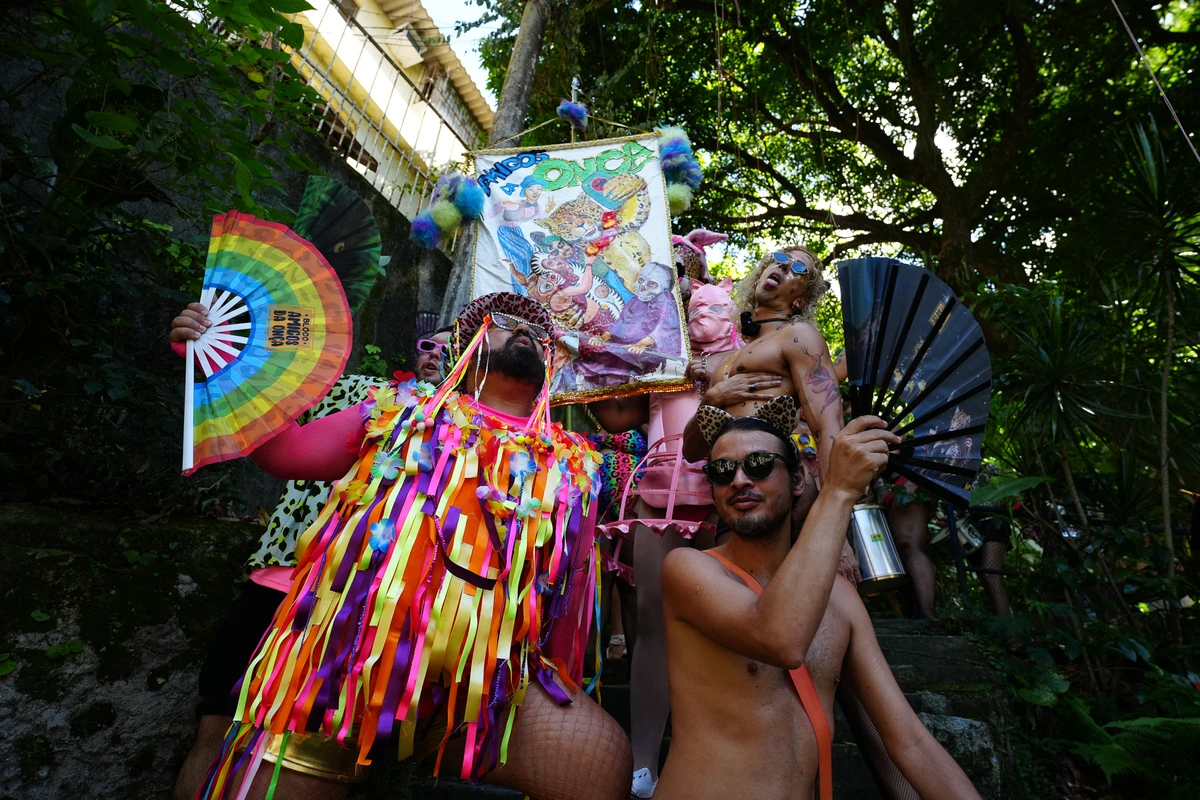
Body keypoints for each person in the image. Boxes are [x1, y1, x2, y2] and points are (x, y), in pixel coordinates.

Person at [169, 293, 630, 800]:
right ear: (466, 347)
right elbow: (288, 452)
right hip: (344, 665)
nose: (521, 329)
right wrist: (219, 355)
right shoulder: (400, 412)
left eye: (534, 331)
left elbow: (566, 598)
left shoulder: (577, 465)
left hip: (484, 686)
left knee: (599, 760)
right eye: (501, 321)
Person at [657, 414, 982, 800]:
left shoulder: (840, 599)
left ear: (797, 481)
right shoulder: (688, 569)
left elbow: (909, 741)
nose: (740, 480)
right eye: (722, 471)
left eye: (759, 465)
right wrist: (838, 490)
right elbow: (780, 638)